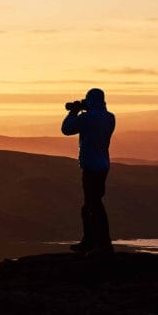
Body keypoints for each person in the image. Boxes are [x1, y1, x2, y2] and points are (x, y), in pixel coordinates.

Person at [61, 88, 115, 254]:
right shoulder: (109, 117)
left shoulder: (88, 118)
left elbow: (66, 129)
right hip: (103, 165)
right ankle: (90, 241)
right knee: (90, 204)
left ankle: (101, 244)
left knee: (93, 205)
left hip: (91, 165)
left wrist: (74, 111)